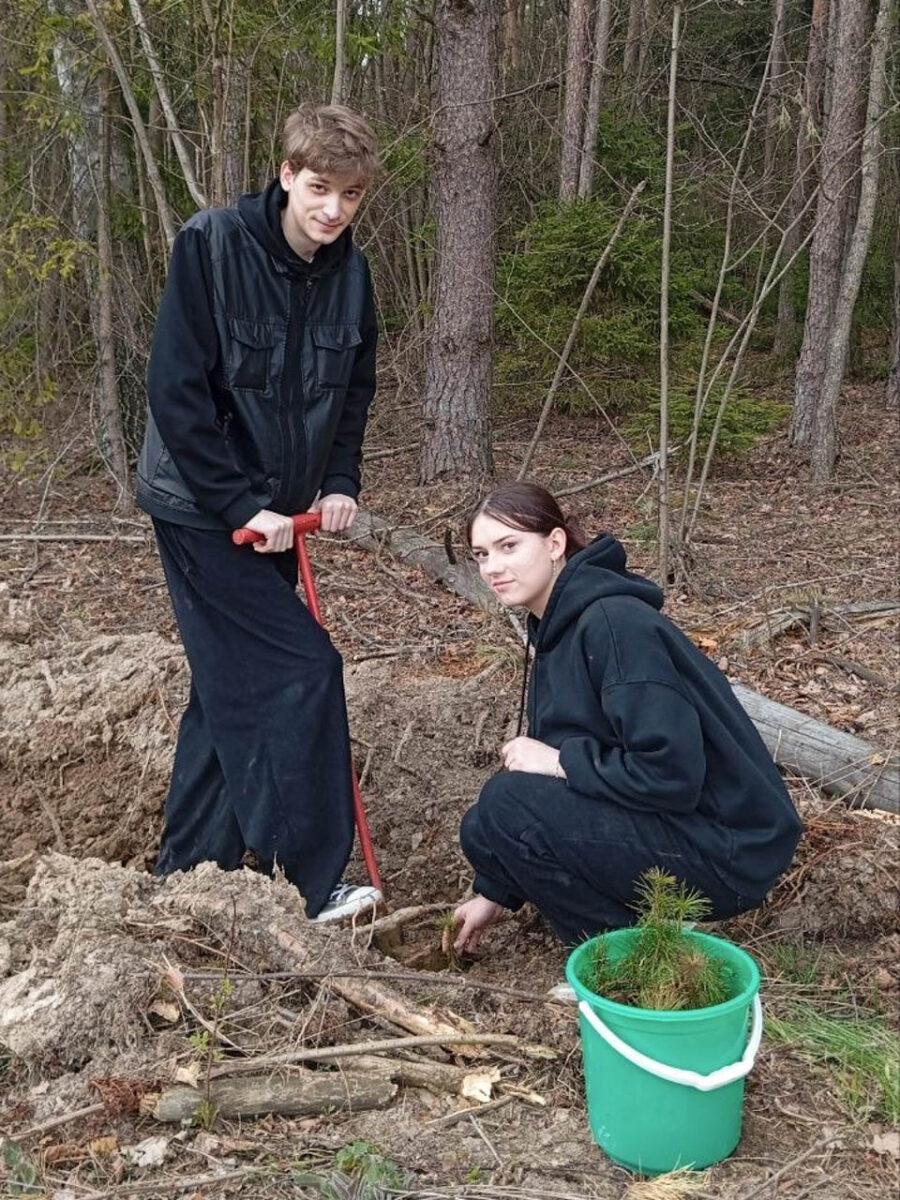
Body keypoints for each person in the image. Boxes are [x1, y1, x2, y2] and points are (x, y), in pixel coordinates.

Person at [136, 103, 382, 922]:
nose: (332, 211)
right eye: (319, 188)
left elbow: (352, 392)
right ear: (286, 176)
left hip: (278, 515)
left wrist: (338, 480)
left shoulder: (351, 275)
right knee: (301, 672)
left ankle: (188, 872)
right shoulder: (212, 245)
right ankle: (309, 884)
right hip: (203, 511)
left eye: (349, 195)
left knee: (226, 686)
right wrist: (241, 503)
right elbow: (176, 391)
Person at [445, 482, 802, 952]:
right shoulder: (556, 626)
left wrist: (559, 761)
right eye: (481, 554)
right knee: (484, 827)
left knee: (507, 803)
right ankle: (634, 933)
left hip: (728, 848)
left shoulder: (615, 624)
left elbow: (671, 773)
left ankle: (619, 954)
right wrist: (493, 891)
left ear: (554, 544)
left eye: (509, 546)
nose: (493, 567)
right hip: (679, 827)